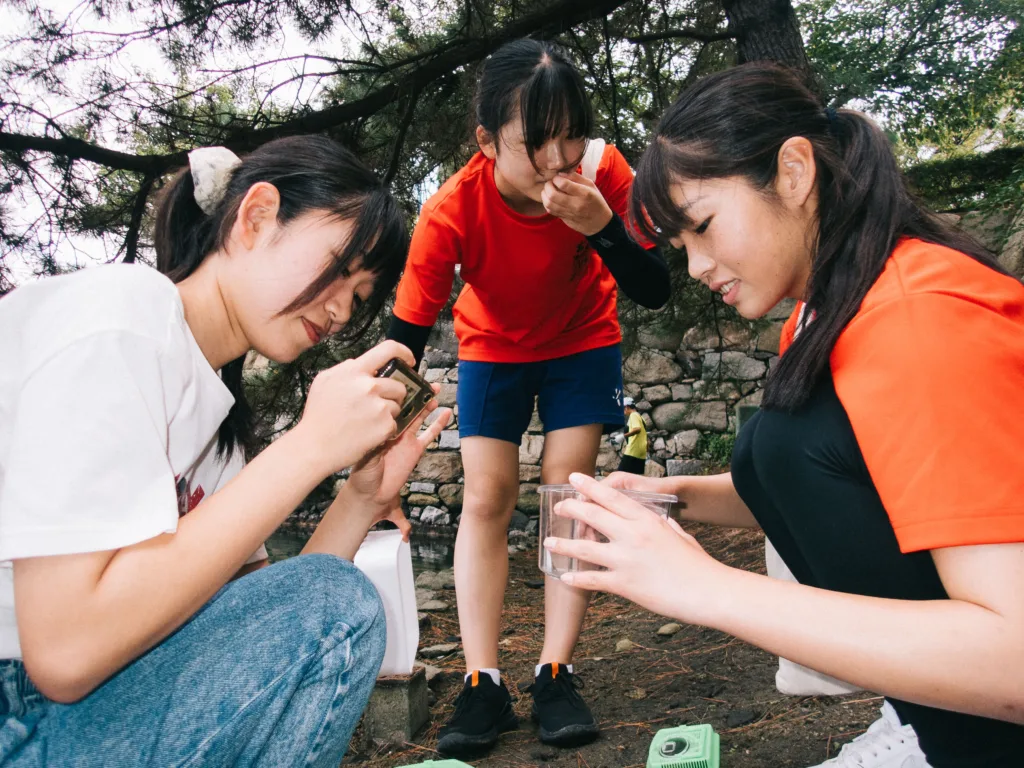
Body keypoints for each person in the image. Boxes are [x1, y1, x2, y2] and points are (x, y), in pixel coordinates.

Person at [543, 63, 1024, 768]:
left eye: (703, 225)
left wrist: (706, 588)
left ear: (794, 171)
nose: (699, 265)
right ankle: (918, 719)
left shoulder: (921, 320)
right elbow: (860, 479)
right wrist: (672, 503)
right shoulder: (825, 306)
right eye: (681, 246)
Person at [0, 135, 451, 768]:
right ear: (256, 216)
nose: (344, 308)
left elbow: (279, 638)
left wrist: (361, 497)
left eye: (362, 293)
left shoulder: (215, 422)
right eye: (339, 267)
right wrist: (309, 446)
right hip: (19, 713)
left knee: (336, 599)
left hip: (82, 715)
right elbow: (66, 650)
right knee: (340, 600)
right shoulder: (119, 319)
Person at [386, 39, 669, 756]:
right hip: (492, 347)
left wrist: (600, 227)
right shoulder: (451, 208)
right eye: (536, 142)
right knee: (485, 497)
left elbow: (655, 287)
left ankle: (554, 671)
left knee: (563, 491)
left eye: (571, 133)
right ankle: (484, 682)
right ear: (486, 142)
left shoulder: (604, 173)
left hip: (582, 339)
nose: (559, 158)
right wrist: (377, 454)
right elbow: (403, 341)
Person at [616, 397, 648, 475]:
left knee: (620, 475)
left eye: (623, 408)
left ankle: (601, 473)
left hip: (633, 451)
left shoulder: (633, 415)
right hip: (641, 452)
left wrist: (623, 436)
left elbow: (637, 429)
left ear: (626, 407)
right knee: (636, 478)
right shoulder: (641, 417)